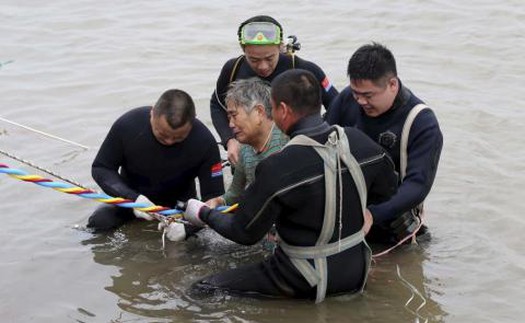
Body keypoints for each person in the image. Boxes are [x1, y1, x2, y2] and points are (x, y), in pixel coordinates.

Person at [182, 69, 397, 303]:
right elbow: (387, 190)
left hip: (303, 277)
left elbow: (243, 232)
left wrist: (202, 213)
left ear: (282, 110)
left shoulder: (278, 166)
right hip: (356, 270)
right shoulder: (359, 141)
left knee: (203, 288)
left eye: (273, 109)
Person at [325, 42, 443, 245]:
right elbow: (321, 140)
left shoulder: (422, 123)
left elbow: (417, 185)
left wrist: (372, 214)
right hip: (344, 215)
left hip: (392, 228)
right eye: (356, 93)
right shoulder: (347, 99)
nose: (360, 101)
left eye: (368, 95)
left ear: (392, 85)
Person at [87, 89, 225, 241]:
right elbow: (101, 168)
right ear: (152, 113)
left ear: (192, 124)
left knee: (197, 243)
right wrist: (133, 199)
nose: (169, 142)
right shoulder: (128, 125)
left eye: (178, 138)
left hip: (179, 207)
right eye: (162, 134)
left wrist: (188, 228)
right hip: (131, 201)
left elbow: (214, 200)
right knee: (99, 222)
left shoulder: (205, 142)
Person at [210, 15, 338, 167]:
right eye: (254, 60)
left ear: (280, 47)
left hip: (296, 156)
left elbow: (338, 105)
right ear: (243, 50)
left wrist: (317, 139)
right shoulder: (233, 69)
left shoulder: (305, 70)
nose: (263, 66)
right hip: (249, 158)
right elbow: (217, 105)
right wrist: (229, 140)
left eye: (270, 58)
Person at [205, 78, 289, 209]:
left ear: (259, 112)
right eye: (228, 117)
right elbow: (234, 194)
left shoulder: (288, 140)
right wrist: (217, 202)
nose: (230, 125)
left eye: (234, 115)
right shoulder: (245, 149)